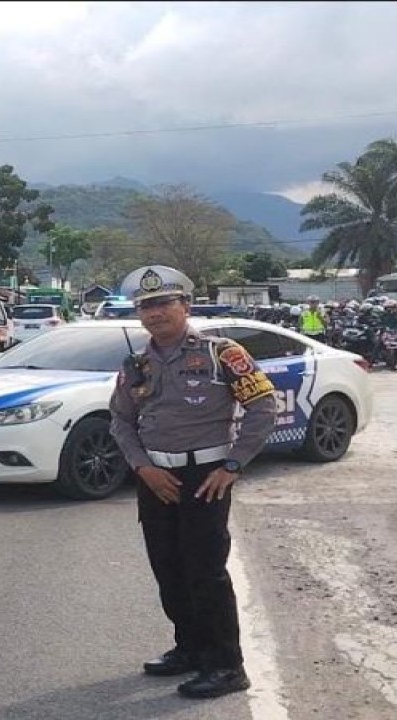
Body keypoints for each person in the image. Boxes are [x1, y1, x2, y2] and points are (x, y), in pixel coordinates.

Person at [109, 265, 277, 699]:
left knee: (205, 571)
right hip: (154, 476)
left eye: (164, 303)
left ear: (186, 305)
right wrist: (143, 468)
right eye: (146, 306)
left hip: (206, 476)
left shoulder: (223, 353)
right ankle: (189, 648)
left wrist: (233, 465)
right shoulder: (136, 364)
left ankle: (226, 665)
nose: (154, 313)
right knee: (168, 568)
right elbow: (121, 422)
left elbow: (263, 407)